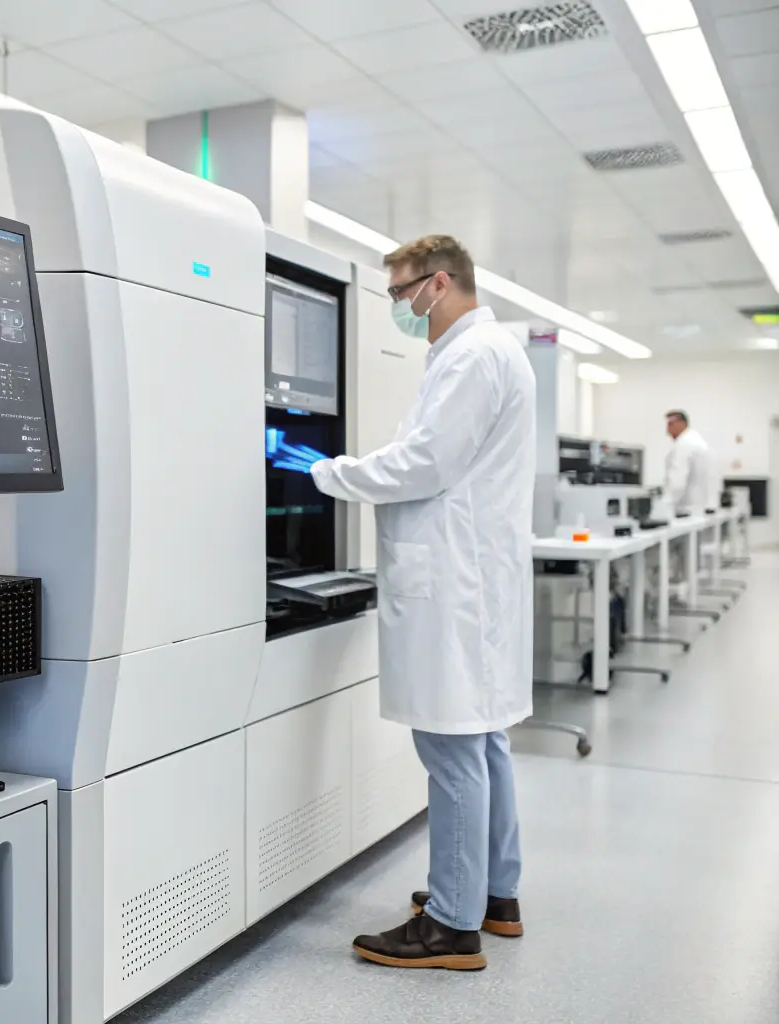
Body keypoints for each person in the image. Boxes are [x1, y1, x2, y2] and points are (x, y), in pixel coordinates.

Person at [309, 235, 536, 972]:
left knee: (450, 747)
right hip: (472, 576)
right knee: (483, 737)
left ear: (438, 284)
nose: (399, 308)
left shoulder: (473, 356)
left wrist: (328, 471)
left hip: (455, 583)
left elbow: (425, 463)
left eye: (401, 293)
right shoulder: (484, 352)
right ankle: (493, 895)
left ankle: (449, 924)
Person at [663, 410, 713, 514]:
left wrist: (664, 507)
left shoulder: (684, 444)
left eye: (670, 424)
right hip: (703, 507)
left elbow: (677, 480)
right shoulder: (697, 441)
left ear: (681, 423)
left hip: (689, 509)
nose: (667, 430)